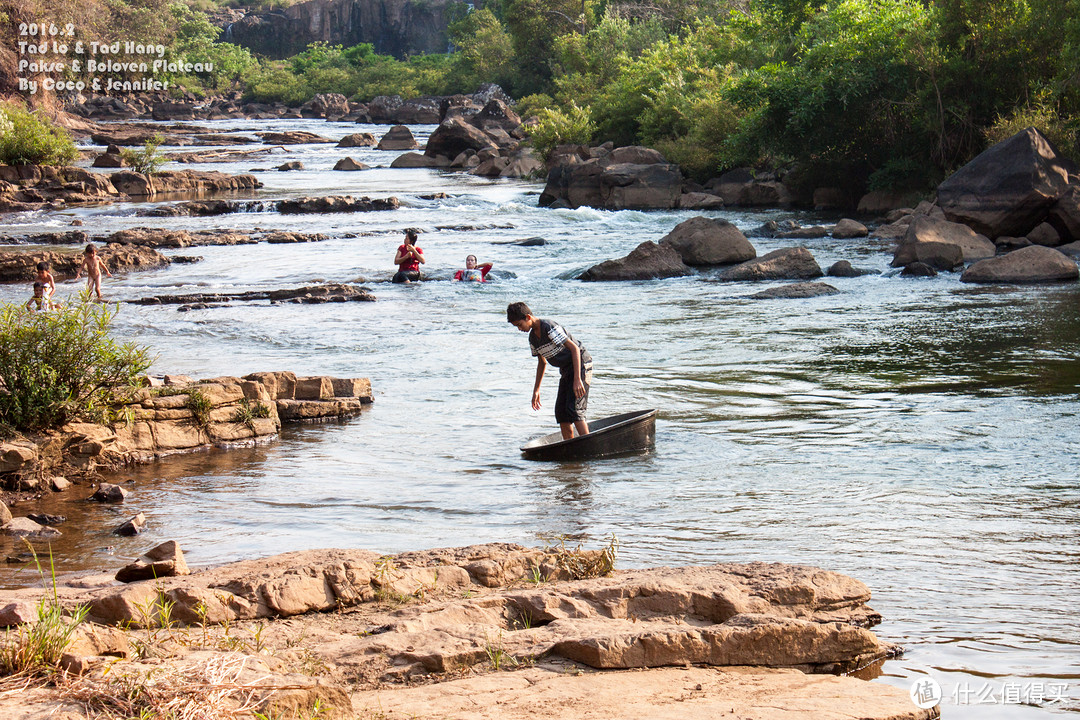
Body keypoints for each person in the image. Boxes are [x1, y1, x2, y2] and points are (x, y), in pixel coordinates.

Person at [507, 301, 592, 440]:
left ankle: (589, 446)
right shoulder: (533, 338)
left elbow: (574, 349)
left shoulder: (548, 327)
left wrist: (577, 379)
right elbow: (542, 363)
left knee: (575, 410)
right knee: (561, 413)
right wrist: (536, 390)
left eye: (519, 325)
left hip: (581, 365)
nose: (519, 329)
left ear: (528, 317)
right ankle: (570, 446)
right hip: (566, 370)